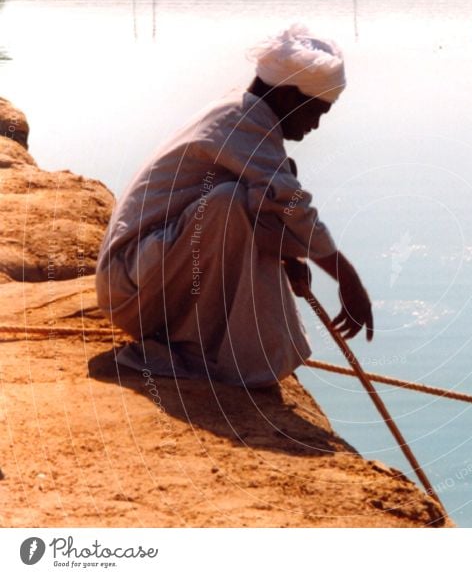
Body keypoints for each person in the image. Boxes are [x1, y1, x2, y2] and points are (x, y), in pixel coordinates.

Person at [95, 25, 373, 389]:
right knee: (230, 202)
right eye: (316, 112)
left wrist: (291, 257)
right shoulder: (242, 122)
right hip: (130, 289)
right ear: (290, 97)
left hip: (144, 280)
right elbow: (291, 207)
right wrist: (348, 279)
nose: (317, 126)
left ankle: (203, 339)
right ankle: (195, 347)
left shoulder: (243, 115)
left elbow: (273, 201)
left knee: (261, 187)